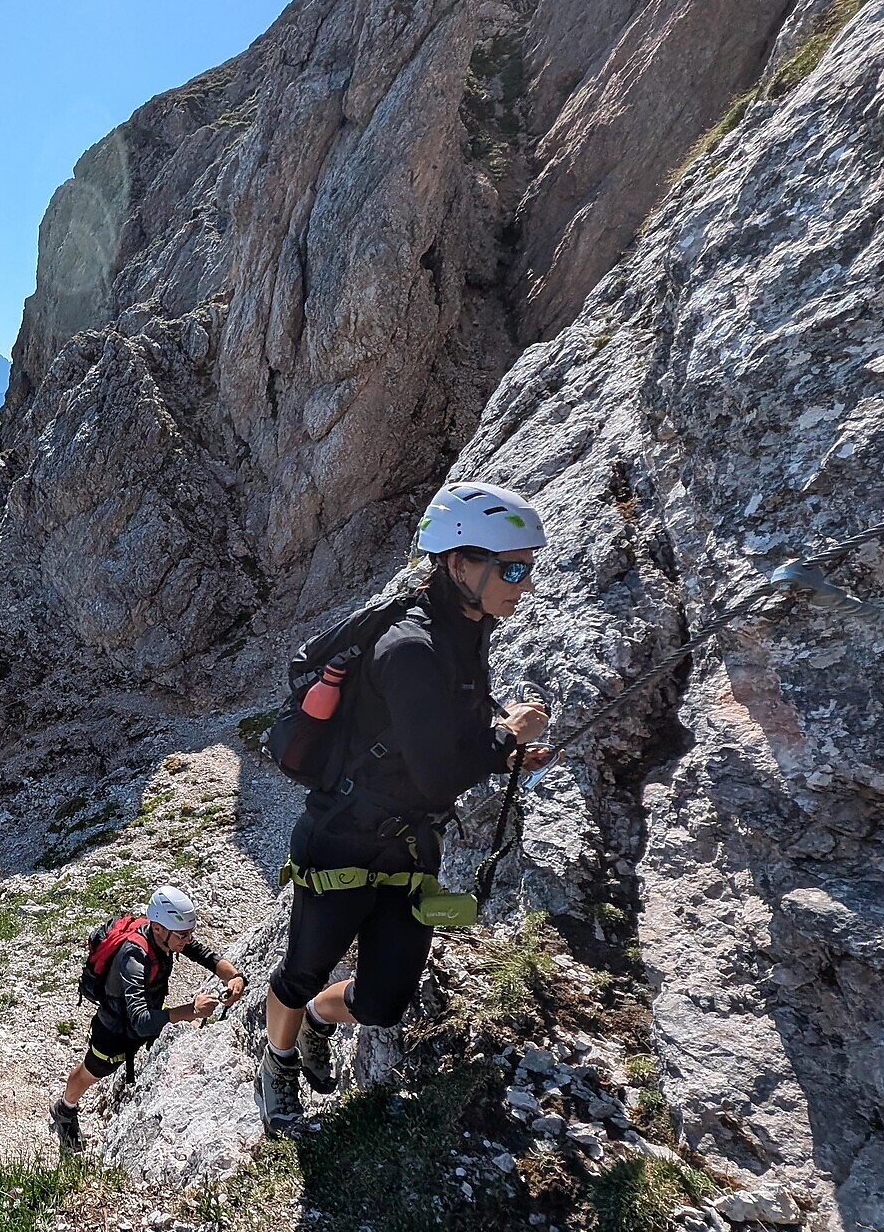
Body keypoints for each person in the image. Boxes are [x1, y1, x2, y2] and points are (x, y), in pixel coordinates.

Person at [255, 480, 554, 1135]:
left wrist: (502, 752)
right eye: (511, 568)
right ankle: (275, 1069)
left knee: (384, 1001)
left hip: (409, 842)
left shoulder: (465, 628)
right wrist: (507, 739)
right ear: (458, 564)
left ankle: (312, 1024)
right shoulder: (412, 646)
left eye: (527, 568)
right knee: (302, 969)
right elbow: (440, 768)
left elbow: (447, 735)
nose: (523, 583)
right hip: (343, 838)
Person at [52, 885, 246, 1153]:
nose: (187, 940)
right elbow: (141, 1020)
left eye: (190, 933)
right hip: (115, 1030)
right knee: (90, 1073)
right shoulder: (133, 956)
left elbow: (205, 956)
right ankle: (64, 1110)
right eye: (182, 935)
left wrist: (234, 977)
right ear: (158, 929)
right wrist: (193, 1009)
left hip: (148, 1015)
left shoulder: (168, 936)